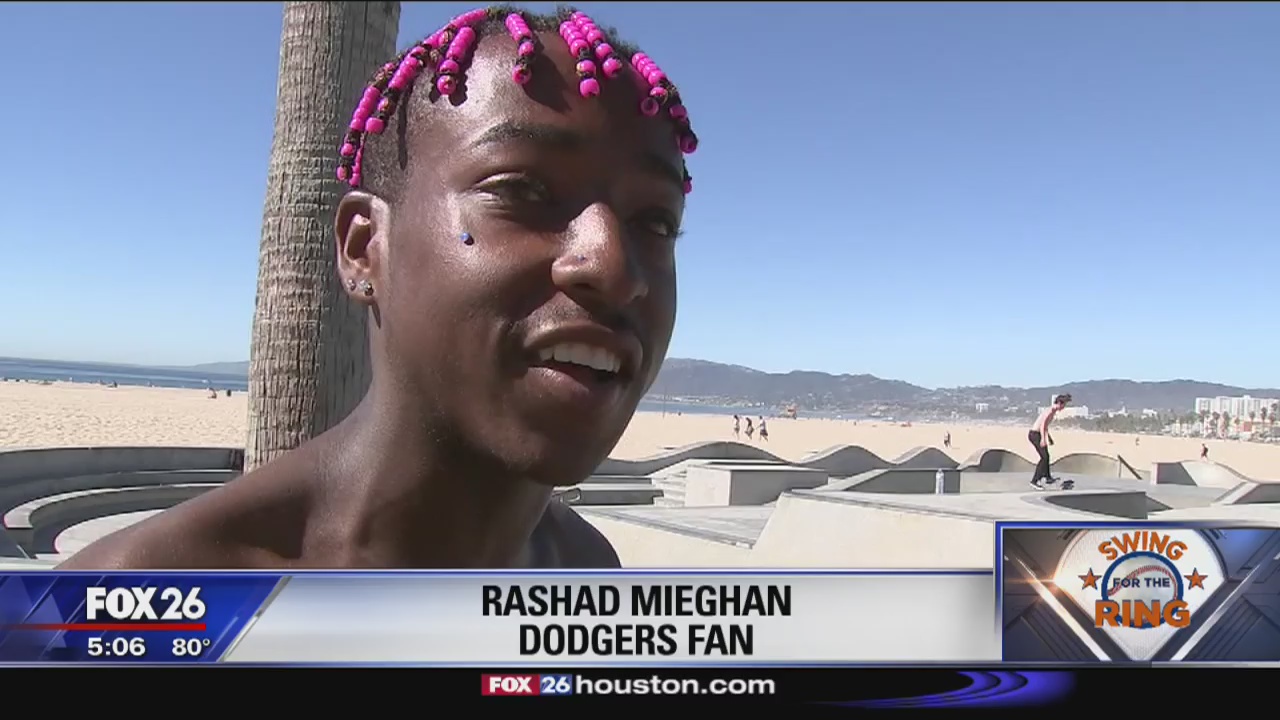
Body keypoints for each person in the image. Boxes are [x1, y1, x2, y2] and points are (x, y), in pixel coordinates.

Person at [60, 6, 697, 570]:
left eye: (655, 222)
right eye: (523, 190)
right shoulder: (130, 613)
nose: (614, 267)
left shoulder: (582, 573)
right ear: (365, 248)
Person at [1028, 394, 1071, 489]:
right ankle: (1034, 481)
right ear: (1059, 403)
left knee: (1047, 456)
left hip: (1038, 434)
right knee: (1044, 457)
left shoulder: (1052, 411)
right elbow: (1042, 425)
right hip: (1035, 435)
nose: (1064, 407)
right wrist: (1043, 439)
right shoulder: (1050, 411)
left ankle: (1047, 477)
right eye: (1064, 405)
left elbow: (1045, 426)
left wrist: (1049, 437)